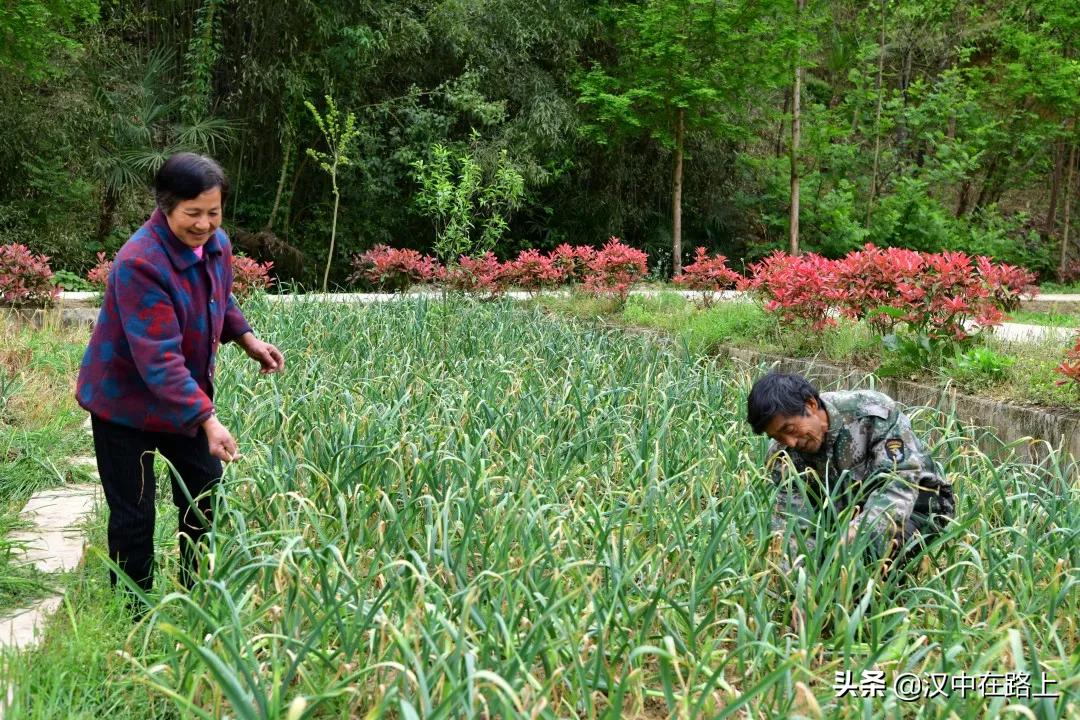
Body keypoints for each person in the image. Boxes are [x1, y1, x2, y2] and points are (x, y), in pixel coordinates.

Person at [76, 153, 284, 596]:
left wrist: (247, 339)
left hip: (181, 398)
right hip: (124, 403)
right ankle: (133, 612)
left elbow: (218, 297)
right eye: (193, 213)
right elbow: (158, 360)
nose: (205, 223)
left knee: (203, 496)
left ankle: (196, 595)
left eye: (214, 212)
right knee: (134, 512)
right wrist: (207, 420)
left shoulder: (216, 245)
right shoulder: (141, 263)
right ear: (166, 205)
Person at [746, 372, 955, 573]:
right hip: (844, 519)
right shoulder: (782, 456)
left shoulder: (872, 413)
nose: (790, 442)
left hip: (917, 508)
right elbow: (794, 523)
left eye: (790, 430)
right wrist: (800, 582)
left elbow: (899, 484)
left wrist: (857, 533)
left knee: (859, 561)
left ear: (810, 404)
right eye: (779, 437)